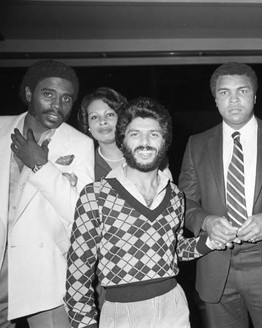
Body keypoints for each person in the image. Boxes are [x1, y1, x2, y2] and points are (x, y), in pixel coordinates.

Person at [178, 62, 262, 328]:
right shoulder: (197, 144)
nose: (233, 99)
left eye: (242, 91)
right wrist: (206, 222)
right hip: (216, 264)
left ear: (254, 96)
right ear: (215, 99)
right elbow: (184, 203)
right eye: (224, 92)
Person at [65, 97, 218, 328]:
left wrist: (212, 241)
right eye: (135, 134)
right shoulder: (95, 195)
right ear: (122, 140)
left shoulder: (175, 195)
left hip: (173, 306)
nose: (145, 142)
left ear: (165, 141)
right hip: (121, 313)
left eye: (154, 134)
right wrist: (85, 324)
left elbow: (174, 251)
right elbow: (78, 271)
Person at [0, 60, 94, 327]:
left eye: (66, 98)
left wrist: (40, 166)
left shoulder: (80, 143)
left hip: (42, 271)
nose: (57, 105)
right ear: (29, 94)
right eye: (48, 94)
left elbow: (81, 215)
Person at [78, 87, 128, 180]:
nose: (102, 121)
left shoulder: (144, 156)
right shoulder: (84, 165)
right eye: (94, 117)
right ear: (88, 125)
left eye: (109, 114)